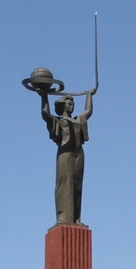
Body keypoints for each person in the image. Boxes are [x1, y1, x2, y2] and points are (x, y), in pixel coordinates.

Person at [39, 90, 92, 224]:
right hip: (65, 154)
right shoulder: (58, 121)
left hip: (78, 154)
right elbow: (45, 114)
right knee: (64, 184)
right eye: (69, 103)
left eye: (72, 104)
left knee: (77, 185)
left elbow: (88, 111)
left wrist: (89, 95)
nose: (72, 106)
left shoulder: (78, 120)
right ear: (62, 106)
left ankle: (76, 218)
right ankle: (62, 217)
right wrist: (44, 95)